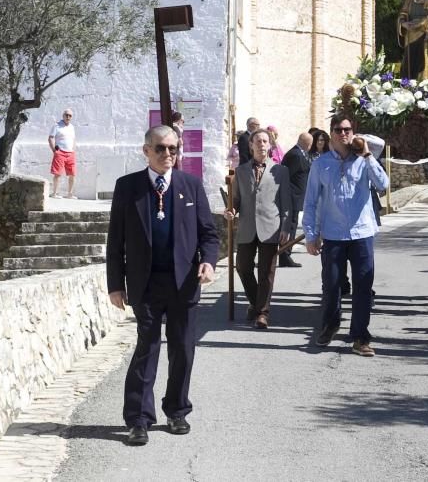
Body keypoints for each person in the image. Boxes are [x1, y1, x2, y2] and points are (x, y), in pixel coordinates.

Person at [106, 126, 219, 446]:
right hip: (145, 283)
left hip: (184, 284)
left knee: (183, 349)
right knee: (147, 350)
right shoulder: (127, 187)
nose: (168, 154)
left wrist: (208, 261)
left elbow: (209, 234)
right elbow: (115, 241)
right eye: (160, 149)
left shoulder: (191, 186)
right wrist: (115, 284)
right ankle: (138, 419)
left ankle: (177, 411)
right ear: (146, 151)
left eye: (173, 148)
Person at [303, 114, 390, 357]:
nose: (344, 134)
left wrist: (366, 153)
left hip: (362, 233)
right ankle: (330, 325)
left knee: (363, 286)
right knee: (331, 285)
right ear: (331, 133)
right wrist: (311, 234)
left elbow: (383, 184)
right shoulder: (321, 164)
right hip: (333, 235)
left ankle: (360, 336)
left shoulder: (364, 159)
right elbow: (310, 202)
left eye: (348, 129)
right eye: (339, 130)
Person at [223, 129, 293, 329]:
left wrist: (286, 227)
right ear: (251, 145)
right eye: (258, 141)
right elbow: (235, 200)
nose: (262, 144)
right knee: (242, 267)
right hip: (247, 226)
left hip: (271, 226)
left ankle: (262, 313)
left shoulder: (280, 171)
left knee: (266, 272)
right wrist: (231, 211)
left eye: (265, 141)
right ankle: (256, 302)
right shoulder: (241, 171)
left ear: (270, 145)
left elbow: (286, 203)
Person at [279, 132, 314, 269]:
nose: (311, 146)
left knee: (292, 226)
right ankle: (285, 255)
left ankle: (286, 254)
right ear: (306, 143)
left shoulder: (299, 153)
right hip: (292, 197)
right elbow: (287, 177)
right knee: (290, 227)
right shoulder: (295, 155)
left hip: (297, 197)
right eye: (310, 143)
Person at [48, 108, 77, 198]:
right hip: (60, 152)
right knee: (57, 174)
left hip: (70, 153)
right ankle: (54, 193)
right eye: (66, 115)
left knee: (72, 174)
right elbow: (51, 138)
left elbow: (73, 139)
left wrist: (73, 149)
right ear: (63, 116)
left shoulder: (72, 127)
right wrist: (54, 150)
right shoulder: (56, 125)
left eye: (70, 115)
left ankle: (70, 194)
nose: (68, 117)